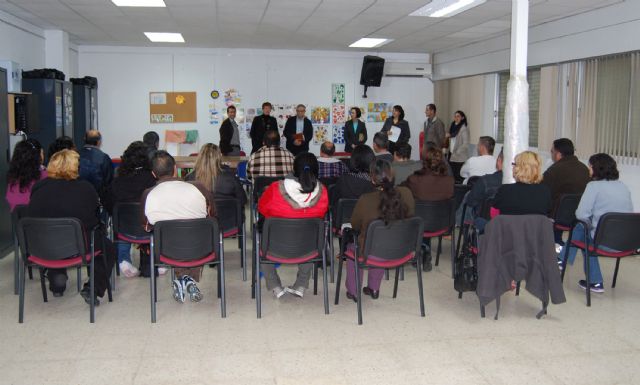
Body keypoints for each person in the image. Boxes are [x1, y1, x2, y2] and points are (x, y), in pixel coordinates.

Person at [27, 149, 115, 303]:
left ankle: (57, 282)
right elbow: (92, 220)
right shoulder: (85, 188)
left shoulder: (38, 187)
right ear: (75, 167)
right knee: (107, 247)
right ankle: (92, 288)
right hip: (78, 246)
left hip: (42, 246)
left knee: (54, 235)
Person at [141, 151, 216, 303]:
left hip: (166, 251)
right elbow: (213, 215)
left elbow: (146, 226)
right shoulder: (199, 188)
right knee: (198, 231)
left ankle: (182, 278)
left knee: (170, 237)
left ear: (154, 174)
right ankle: (188, 279)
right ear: (175, 169)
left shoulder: (148, 194)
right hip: (201, 248)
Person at [258, 152, 329, 298]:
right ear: (316, 170)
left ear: (294, 169)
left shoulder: (275, 188)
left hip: (274, 247)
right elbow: (321, 215)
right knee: (311, 235)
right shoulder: (323, 192)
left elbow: (262, 209)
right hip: (308, 248)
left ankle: (275, 286)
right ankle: (301, 285)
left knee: (263, 237)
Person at [559, 153, 633, 293]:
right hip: (627, 243)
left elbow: (580, 214)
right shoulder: (623, 186)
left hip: (605, 243)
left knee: (581, 227)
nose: (589, 169)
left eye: (590, 166)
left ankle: (565, 261)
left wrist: (591, 221)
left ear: (596, 168)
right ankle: (563, 260)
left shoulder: (593, 186)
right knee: (584, 229)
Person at [345, 159, 415, 302]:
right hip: (402, 249)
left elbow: (355, 225)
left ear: (372, 178)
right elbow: (410, 218)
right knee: (382, 239)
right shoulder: (407, 193)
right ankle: (374, 288)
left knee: (354, 246)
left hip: (372, 251)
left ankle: (354, 291)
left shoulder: (366, 199)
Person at [105, 141, 156, 278]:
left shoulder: (117, 181)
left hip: (124, 231)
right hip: (149, 229)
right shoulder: (153, 180)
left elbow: (109, 206)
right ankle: (158, 260)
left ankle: (123, 260)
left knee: (120, 218)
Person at [542, 138, 590, 242]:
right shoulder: (584, 169)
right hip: (579, 215)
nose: (551, 154)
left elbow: (542, 192)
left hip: (557, 215)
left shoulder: (554, 170)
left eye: (552, 151)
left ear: (558, 154)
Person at [493, 151, 551, 216]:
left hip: (510, 226)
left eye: (514, 164)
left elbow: (494, 212)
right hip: (535, 226)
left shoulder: (505, 190)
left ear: (518, 168)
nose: (513, 167)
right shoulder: (545, 191)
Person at [6, 138, 47, 212]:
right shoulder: (45, 176)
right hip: (38, 220)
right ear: (39, 155)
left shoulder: (11, 179)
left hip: (15, 221)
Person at [78, 130, 114, 199]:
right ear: (99, 142)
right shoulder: (104, 158)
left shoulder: (74, 155)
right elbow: (109, 182)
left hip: (77, 197)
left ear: (84, 139)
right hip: (98, 198)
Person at [448, 110, 471, 183]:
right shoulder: (453, 126)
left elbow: (466, 143)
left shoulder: (464, 128)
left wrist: (457, 152)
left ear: (462, 118)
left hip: (460, 157)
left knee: (459, 177)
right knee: (452, 176)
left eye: (458, 116)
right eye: (455, 116)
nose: (456, 118)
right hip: (452, 155)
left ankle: (459, 191)